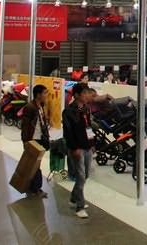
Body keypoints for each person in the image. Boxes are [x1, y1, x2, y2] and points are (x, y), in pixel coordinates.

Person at [63, 83, 93, 218]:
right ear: (76, 95)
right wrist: (74, 148)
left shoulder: (86, 109)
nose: (87, 95)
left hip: (87, 146)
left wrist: (92, 143)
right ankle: (79, 206)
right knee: (80, 177)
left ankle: (73, 198)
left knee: (85, 175)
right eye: (85, 93)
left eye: (88, 92)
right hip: (77, 148)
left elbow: (89, 127)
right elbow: (68, 132)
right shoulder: (68, 112)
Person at [21, 84, 51, 198]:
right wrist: (25, 141)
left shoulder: (41, 106)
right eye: (45, 93)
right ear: (38, 95)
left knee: (34, 165)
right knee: (35, 165)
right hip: (33, 139)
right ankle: (36, 189)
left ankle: (32, 188)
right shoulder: (30, 107)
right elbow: (25, 126)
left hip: (40, 138)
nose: (46, 95)